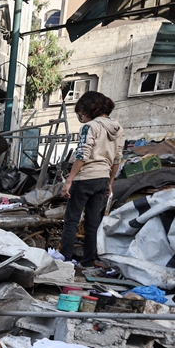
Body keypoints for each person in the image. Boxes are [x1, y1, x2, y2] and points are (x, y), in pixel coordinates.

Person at [60, 91, 124, 265]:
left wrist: (69, 180)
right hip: (103, 179)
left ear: (87, 109)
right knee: (93, 223)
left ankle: (64, 260)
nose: (81, 117)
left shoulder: (90, 127)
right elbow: (117, 159)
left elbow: (82, 154)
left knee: (71, 221)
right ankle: (88, 261)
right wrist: (110, 183)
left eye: (81, 112)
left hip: (85, 178)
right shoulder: (117, 128)